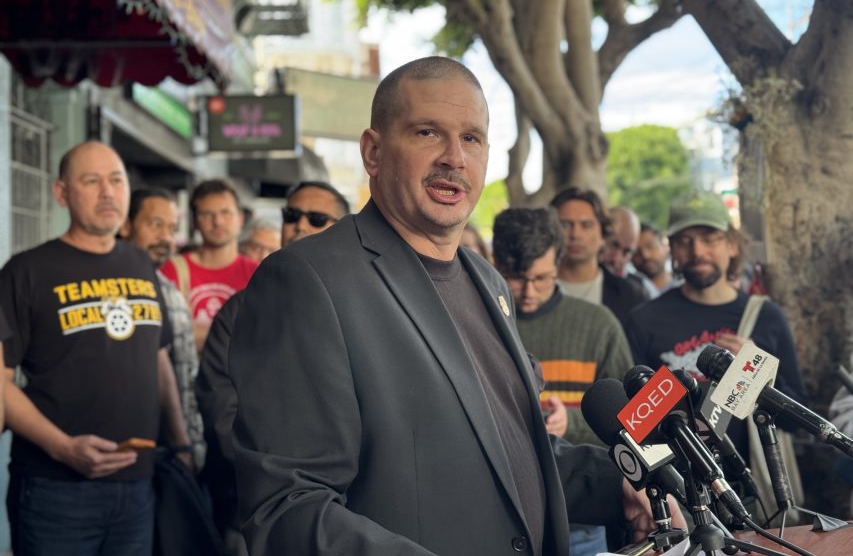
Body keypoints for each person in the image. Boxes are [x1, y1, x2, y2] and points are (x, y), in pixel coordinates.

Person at [229, 57, 675, 555]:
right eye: (426, 133)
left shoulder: (488, 282)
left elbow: (511, 454)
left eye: (472, 138)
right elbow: (286, 507)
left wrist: (618, 485)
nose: (454, 158)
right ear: (373, 152)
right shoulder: (307, 280)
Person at [0, 141, 191, 556]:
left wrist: (181, 446)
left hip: (138, 488)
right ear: (61, 193)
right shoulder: (25, 271)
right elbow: (1, 385)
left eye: (116, 180)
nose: (108, 192)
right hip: (56, 491)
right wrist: (62, 448)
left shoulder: (142, 266)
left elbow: (158, 362)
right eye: (91, 181)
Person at [196, 180, 351, 556]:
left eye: (316, 218)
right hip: (251, 512)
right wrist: (287, 482)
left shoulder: (359, 311)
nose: (299, 225)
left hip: (346, 517)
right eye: (291, 215)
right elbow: (221, 411)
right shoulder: (239, 312)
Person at [492, 206, 635, 556]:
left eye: (541, 278)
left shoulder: (599, 326)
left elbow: (634, 426)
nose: (528, 291)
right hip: (499, 523)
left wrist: (570, 424)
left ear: (558, 263)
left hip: (581, 527)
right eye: (515, 277)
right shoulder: (479, 323)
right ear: (493, 263)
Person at [624, 190, 807, 461]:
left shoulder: (766, 317)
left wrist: (757, 372)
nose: (698, 251)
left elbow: (798, 421)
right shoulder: (643, 320)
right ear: (672, 248)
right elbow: (635, 425)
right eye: (685, 241)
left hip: (752, 490)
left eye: (710, 239)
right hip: (678, 489)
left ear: (732, 244)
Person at [121, 187, 206, 469]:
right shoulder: (103, 289)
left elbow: (184, 374)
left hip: (167, 454)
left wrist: (188, 444)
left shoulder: (169, 292)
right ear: (125, 224)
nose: (165, 238)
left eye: (171, 228)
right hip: (116, 452)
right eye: (156, 224)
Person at [160, 179, 258, 351]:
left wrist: (194, 332)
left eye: (226, 212)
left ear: (240, 219)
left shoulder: (257, 272)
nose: (218, 221)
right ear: (195, 222)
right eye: (207, 214)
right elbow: (169, 334)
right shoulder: (173, 269)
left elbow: (261, 335)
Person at [550, 188, 647, 327]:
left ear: (603, 234)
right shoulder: (530, 289)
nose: (575, 234)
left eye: (586, 225)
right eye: (565, 224)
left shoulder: (631, 296)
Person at [632, 223, 679, 295]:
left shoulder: (686, 290)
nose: (645, 255)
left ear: (665, 246)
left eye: (650, 246)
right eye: (636, 251)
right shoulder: (627, 295)